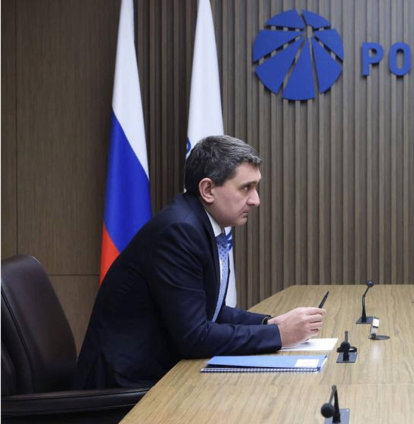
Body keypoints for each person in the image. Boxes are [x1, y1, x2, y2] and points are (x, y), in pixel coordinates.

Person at [75, 135, 324, 389]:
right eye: (246, 188)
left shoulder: (200, 224)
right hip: (125, 385)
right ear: (207, 190)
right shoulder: (179, 231)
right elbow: (194, 337)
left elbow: (211, 310)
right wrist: (279, 335)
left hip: (156, 374)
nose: (255, 200)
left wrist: (269, 324)